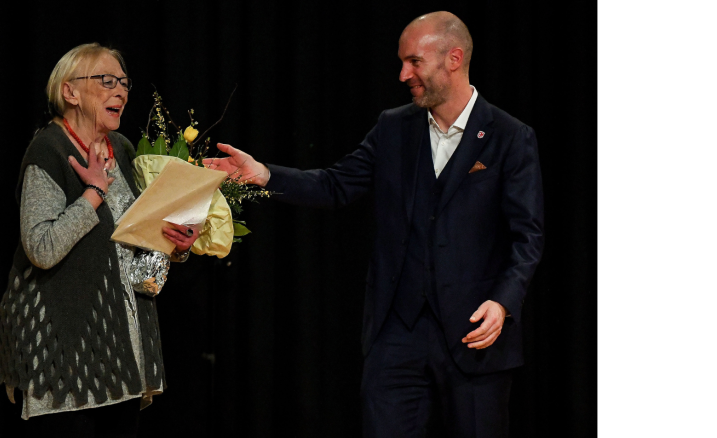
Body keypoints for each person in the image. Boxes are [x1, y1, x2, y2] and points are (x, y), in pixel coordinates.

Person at [206, 12, 543, 438]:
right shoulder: (393, 127)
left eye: (414, 62)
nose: (403, 74)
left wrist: (503, 302)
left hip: (474, 334)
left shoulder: (509, 137)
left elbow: (527, 237)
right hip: (397, 338)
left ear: (453, 58)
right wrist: (266, 175)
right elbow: (334, 185)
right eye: (402, 62)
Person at [0, 43, 199, 437]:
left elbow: (135, 262)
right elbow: (42, 248)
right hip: (64, 359)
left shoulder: (121, 149)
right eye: (106, 80)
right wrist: (93, 194)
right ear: (70, 92)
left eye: (124, 82)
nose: (120, 90)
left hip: (121, 356)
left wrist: (173, 243)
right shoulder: (49, 150)